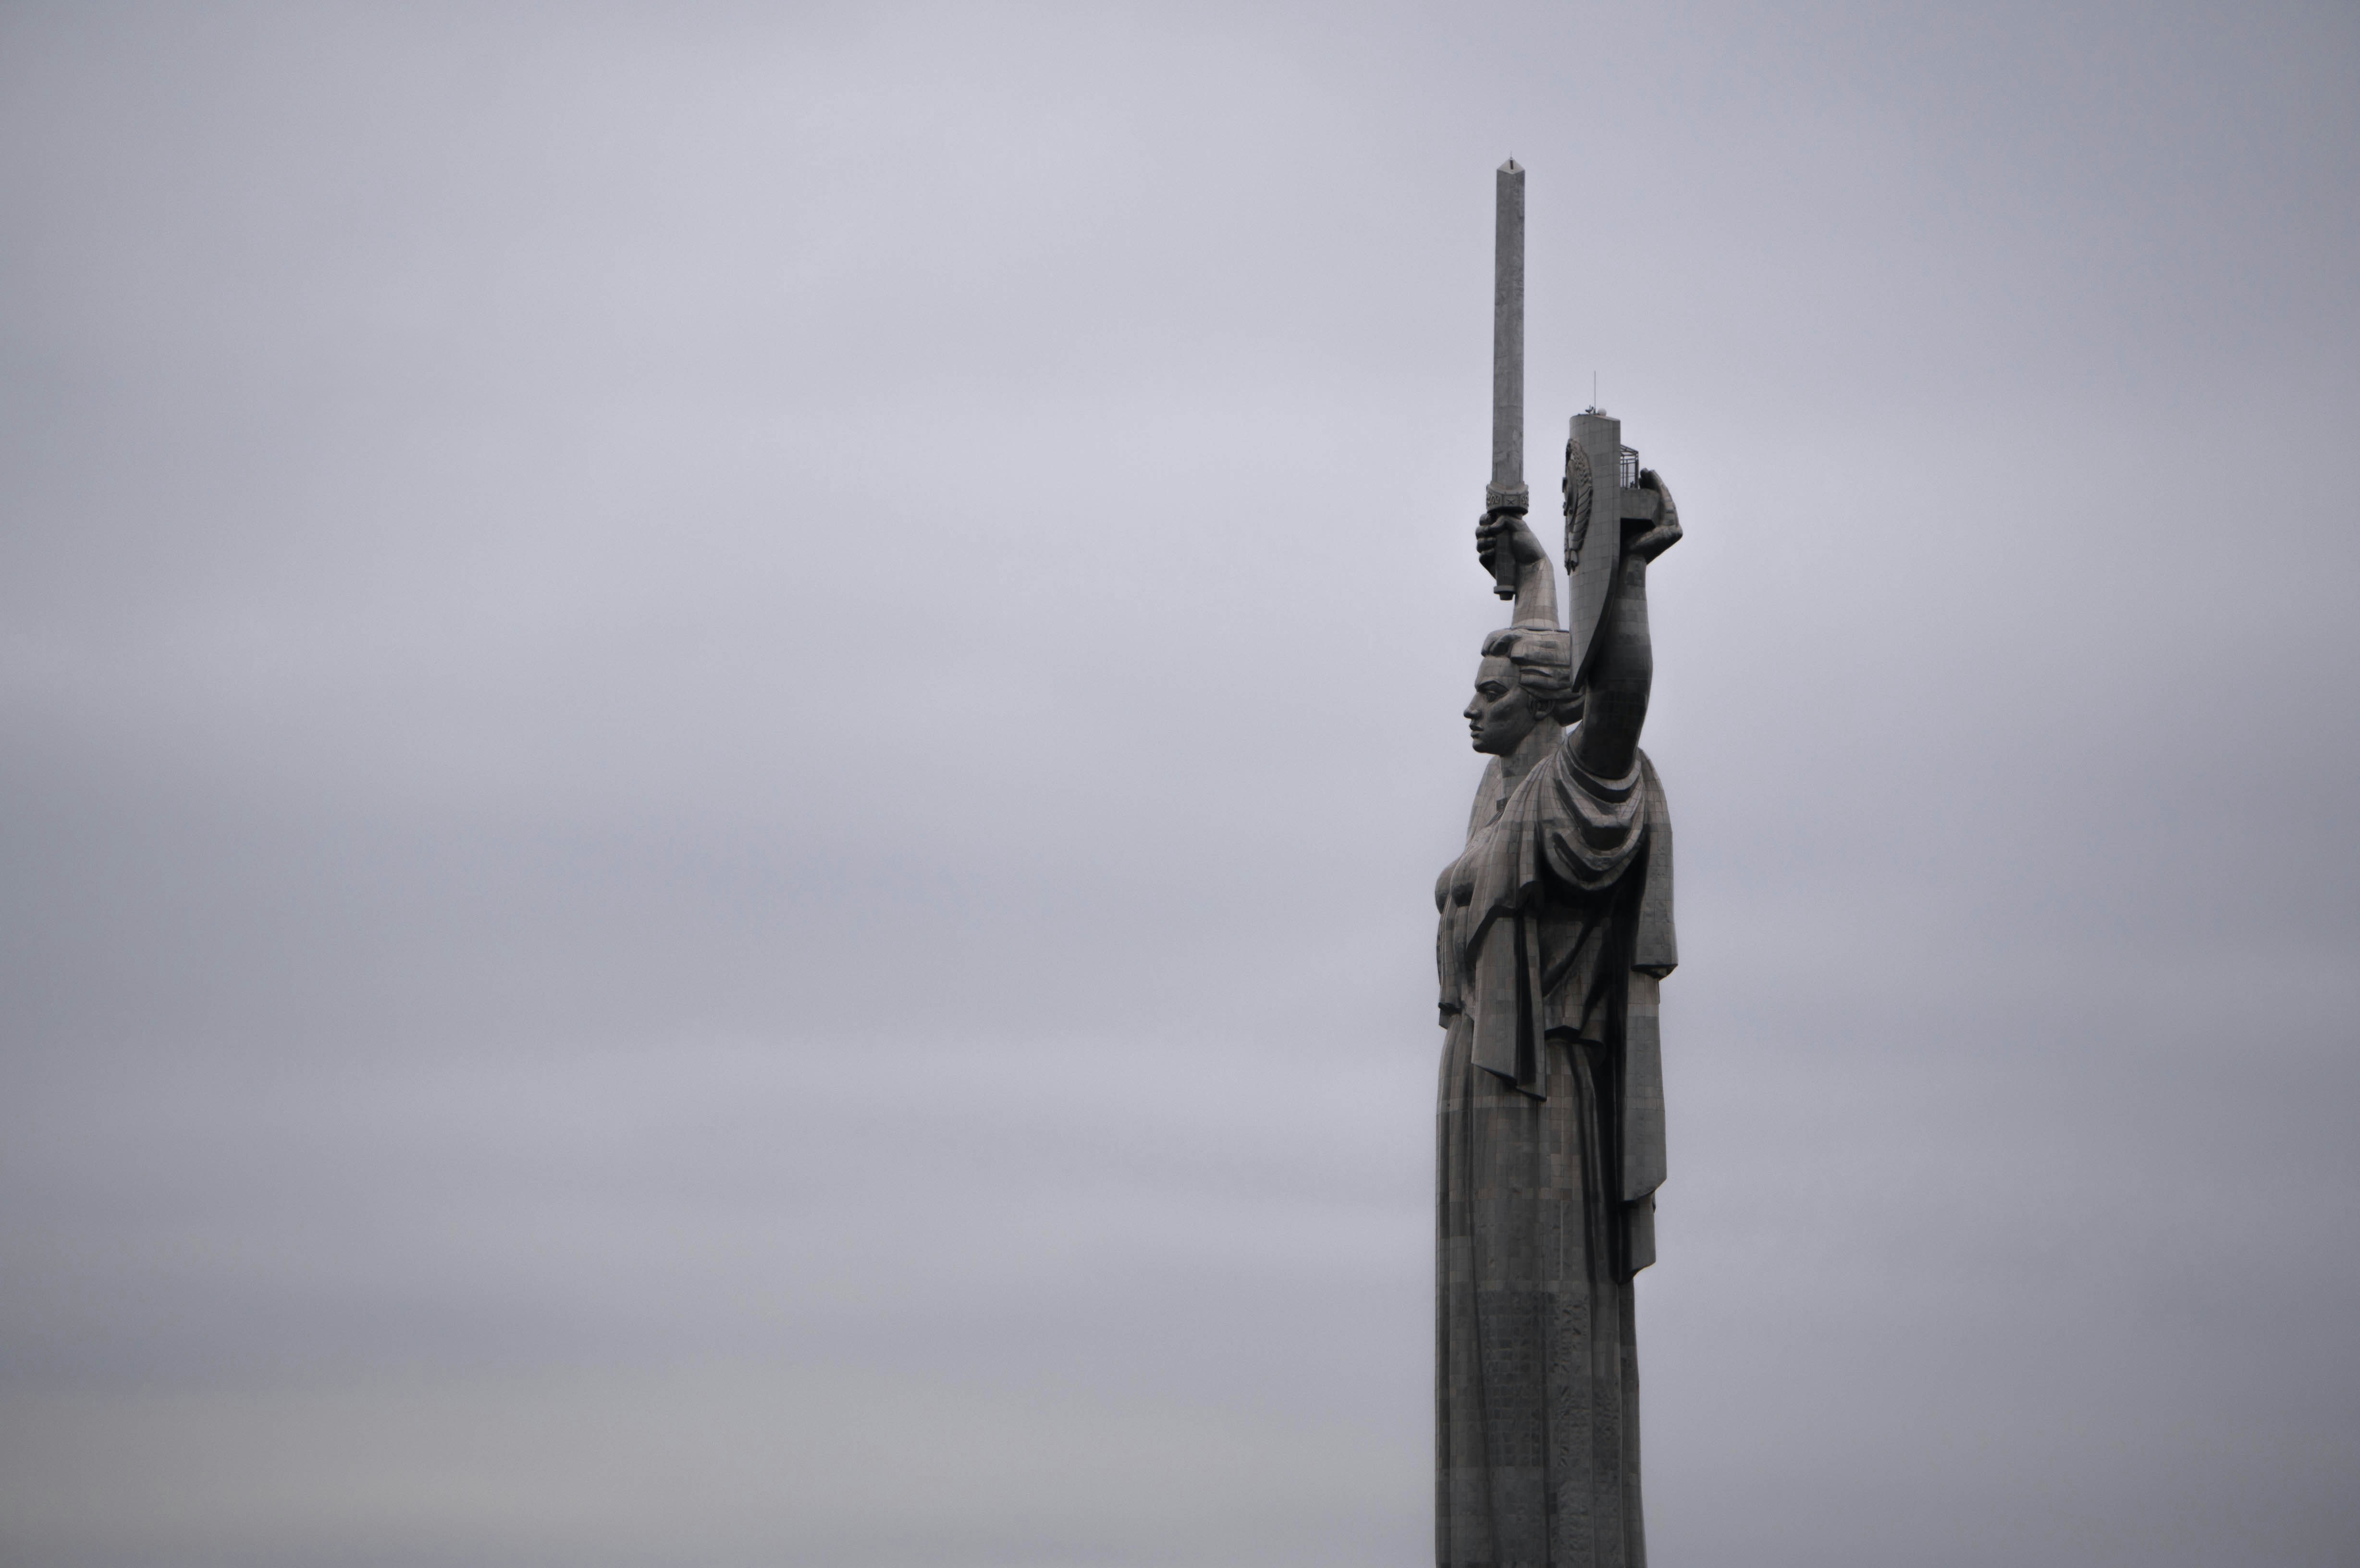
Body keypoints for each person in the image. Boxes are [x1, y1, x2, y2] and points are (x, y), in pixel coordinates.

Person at [1434, 471, 1682, 1567]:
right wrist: (1536, 573)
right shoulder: (1502, 793)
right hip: (1478, 1097)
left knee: (1543, 1351)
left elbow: (1612, 701)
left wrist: (1622, 575)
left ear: (1536, 706)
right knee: (1480, 1359)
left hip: (1539, 1103)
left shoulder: (1572, 795)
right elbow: (1545, 656)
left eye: (1487, 693)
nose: (1466, 707)